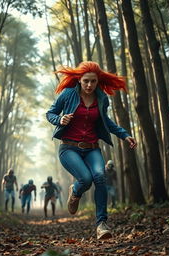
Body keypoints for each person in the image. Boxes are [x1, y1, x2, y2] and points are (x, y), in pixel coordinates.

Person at [46, 61, 137, 240]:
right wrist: (60, 119)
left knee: (100, 177)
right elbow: (50, 113)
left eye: (93, 81)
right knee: (86, 179)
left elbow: (106, 122)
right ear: (79, 79)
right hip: (69, 148)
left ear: (98, 81)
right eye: (86, 81)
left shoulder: (101, 98)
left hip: (92, 149)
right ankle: (76, 191)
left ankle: (101, 225)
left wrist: (125, 135)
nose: (89, 85)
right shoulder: (68, 94)